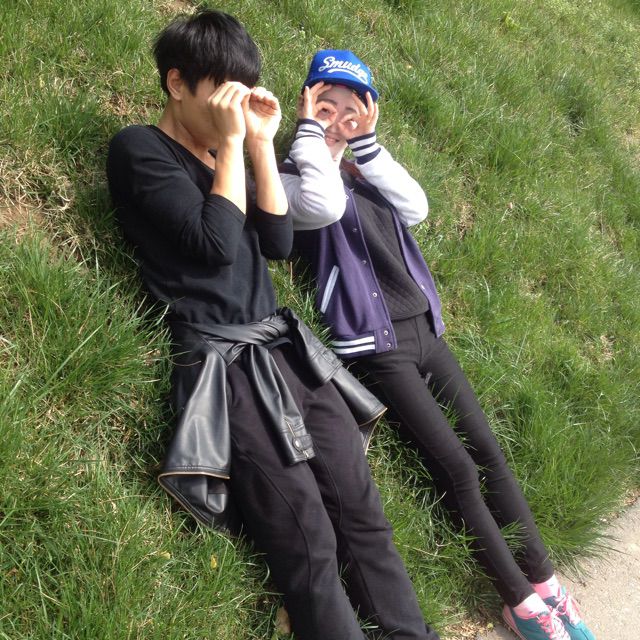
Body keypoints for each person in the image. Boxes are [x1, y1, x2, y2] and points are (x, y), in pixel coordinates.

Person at [106, 12, 441, 640]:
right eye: (222, 95)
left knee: (362, 512)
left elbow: (279, 242)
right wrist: (233, 147)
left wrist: (260, 144)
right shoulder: (139, 150)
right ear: (176, 84)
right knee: (308, 539)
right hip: (224, 366)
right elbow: (214, 243)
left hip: (287, 350)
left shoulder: (227, 156)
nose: (232, 111)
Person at [279, 49, 596, 640]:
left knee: (488, 452)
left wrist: (365, 146)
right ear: (305, 107)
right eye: (325, 106)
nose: (338, 120)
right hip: (375, 346)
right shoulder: (291, 178)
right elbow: (321, 206)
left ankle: (546, 580)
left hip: (424, 328)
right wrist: (311, 137)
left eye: (351, 111)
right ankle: (520, 601)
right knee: (456, 467)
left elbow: (416, 207)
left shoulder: (367, 170)